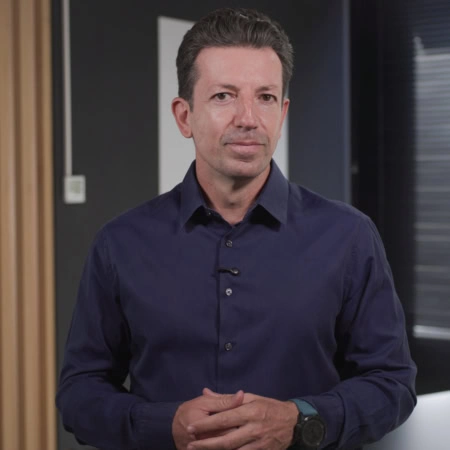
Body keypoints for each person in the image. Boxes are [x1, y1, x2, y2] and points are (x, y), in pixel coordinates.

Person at [56, 7, 417, 450]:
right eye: (224, 96)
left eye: (265, 97)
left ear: (282, 113)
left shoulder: (350, 238)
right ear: (184, 116)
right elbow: (79, 394)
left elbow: (392, 384)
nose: (248, 118)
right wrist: (164, 425)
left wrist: (301, 421)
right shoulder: (119, 244)